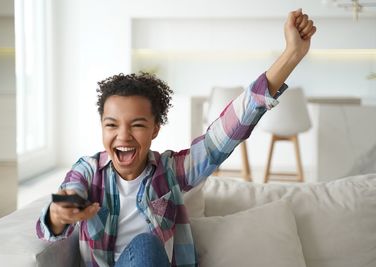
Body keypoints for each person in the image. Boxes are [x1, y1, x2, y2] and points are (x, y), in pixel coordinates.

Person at [36, 9, 316, 267]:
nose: (123, 135)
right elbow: (59, 208)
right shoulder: (87, 171)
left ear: (155, 128)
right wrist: (59, 214)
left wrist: (291, 54)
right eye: (111, 125)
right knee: (146, 245)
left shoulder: (171, 171)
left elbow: (226, 132)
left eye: (137, 125)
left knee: (146, 247)